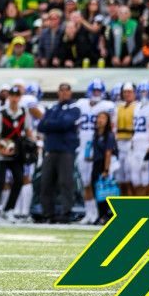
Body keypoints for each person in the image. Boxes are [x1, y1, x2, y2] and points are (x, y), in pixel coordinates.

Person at [35, 83, 79, 223]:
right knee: (46, 183)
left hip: (66, 150)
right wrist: (55, 123)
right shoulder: (52, 107)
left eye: (67, 90)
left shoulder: (74, 108)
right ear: (58, 92)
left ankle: (66, 213)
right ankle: (48, 214)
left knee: (65, 182)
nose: (64, 92)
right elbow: (41, 126)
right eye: (61, 90)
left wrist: (51, 123)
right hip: (50, 149)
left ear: (70, 92)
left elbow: (65, 124)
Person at [75, 80, 115, 225]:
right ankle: (89, 212)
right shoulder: (81, 104)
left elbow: (112, 127)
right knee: (86, 183)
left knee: (98, 184)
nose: (96, 93)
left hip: (99, 149)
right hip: (83, 148)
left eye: (99, 91)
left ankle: (100, 213)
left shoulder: (107, 106)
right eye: (94, 91)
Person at [0, 85, 32, 221]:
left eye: (16, 96)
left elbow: (28, 131)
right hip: (1, 152)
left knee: (19, 180)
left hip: (17, 152)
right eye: (11, 95)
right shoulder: (0, 114)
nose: (14, 98)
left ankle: (9, 209)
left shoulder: (24, 113)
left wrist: (33, 144)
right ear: (8, 97)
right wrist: (0, 149)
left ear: (19, 98)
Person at [89, 110, 117, 225]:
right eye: (99, 117)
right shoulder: (96, 134)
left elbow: (108, 153)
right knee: (96, 189)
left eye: (103, 118)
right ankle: (100, 214)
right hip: (96, 163)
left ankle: (106, 215)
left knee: (105, 190)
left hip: (103, 164)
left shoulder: (108, 136)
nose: (100, 120)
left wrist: (106, 169)